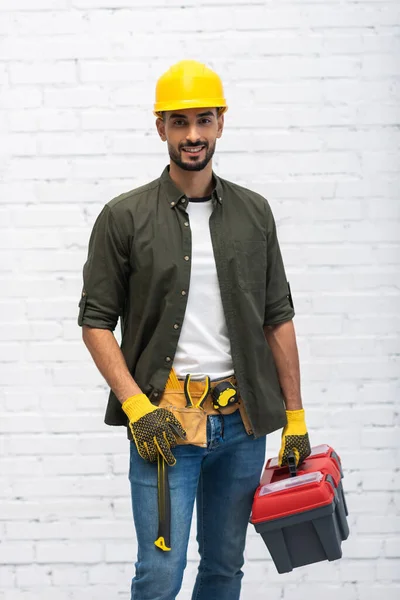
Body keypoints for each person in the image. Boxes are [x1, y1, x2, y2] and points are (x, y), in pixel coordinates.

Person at [78, 59, 311, 600]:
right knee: (160, 575)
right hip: (165, 426)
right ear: (160, 127)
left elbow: (278, 316)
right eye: (179, 122)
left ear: (221, 123)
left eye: (203, 121)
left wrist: (295, 417)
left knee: (225, 567)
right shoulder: (124, 217)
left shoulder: (255, 214)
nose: (192, 135)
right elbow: (94, 322)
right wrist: (137, 405)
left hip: (242, 425)